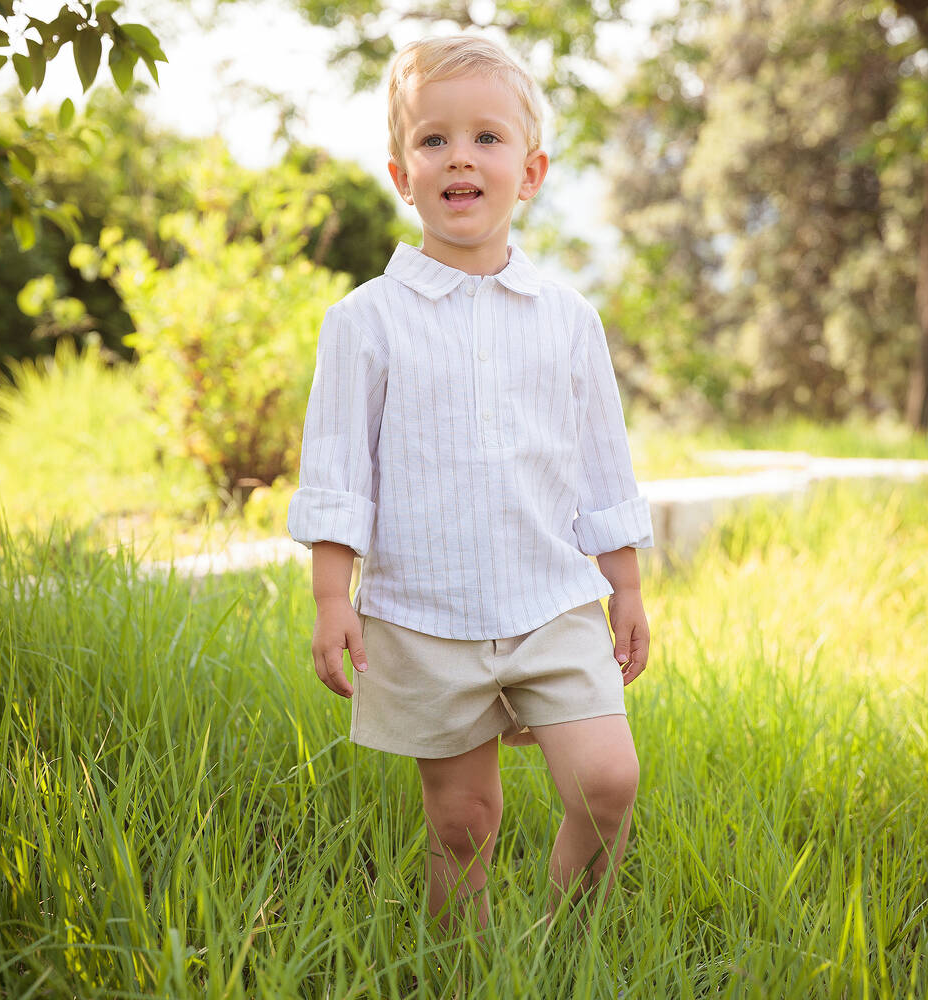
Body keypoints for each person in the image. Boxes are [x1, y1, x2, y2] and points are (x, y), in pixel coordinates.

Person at [287, 33, 654, 939]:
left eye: (487, 138)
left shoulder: (567, 319)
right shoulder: (363, 322)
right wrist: (334, 596)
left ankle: (561, 948)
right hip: (424, 612)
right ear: (400, 171)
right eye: (433, 140)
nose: (460, 156)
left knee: (607, 783)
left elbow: (603, 461)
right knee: (463, 823)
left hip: (553, 600)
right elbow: (338, 472)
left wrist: (629, 585)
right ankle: (465, 966)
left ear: (528, 173)